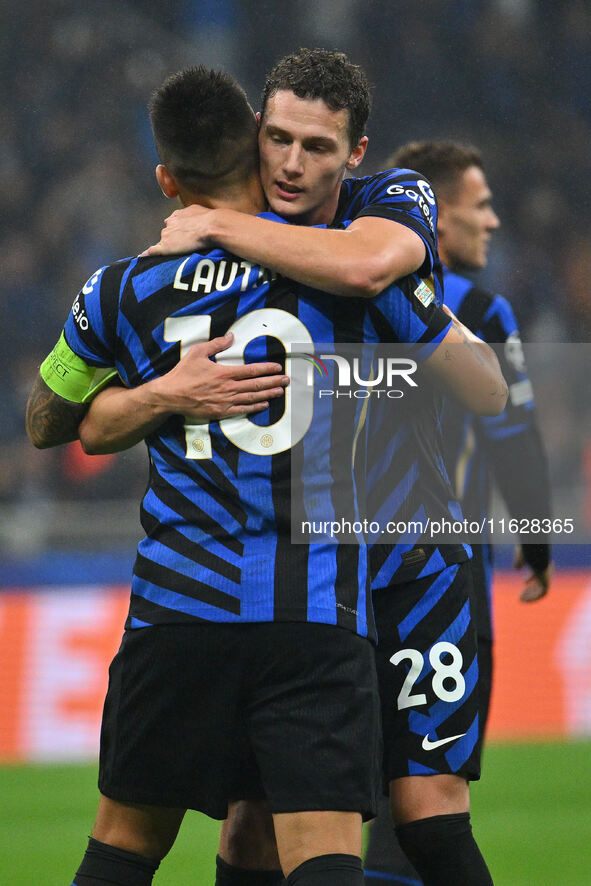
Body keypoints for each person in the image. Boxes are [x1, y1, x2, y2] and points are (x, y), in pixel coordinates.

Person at [27, 65, 504, 886]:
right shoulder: (362, 291)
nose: (289, 162)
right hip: (316, 609)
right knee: (304, 845)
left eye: (314, 148)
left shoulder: (127, 284)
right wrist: (170, 393)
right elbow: (483, 385)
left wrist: (209, 243)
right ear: (252, 136)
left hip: (184, 608)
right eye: (276, 141)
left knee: (126, 848)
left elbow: (54, 420)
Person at [362, 141, 553, 885]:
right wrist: (534, 539)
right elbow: (513, 435)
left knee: (354, 803)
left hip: (337, 574)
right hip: (443, 580)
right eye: (479, 206)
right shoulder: (477, 311)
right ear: (435, 220)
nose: (493, 222)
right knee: (432, 804)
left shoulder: (338, 298)